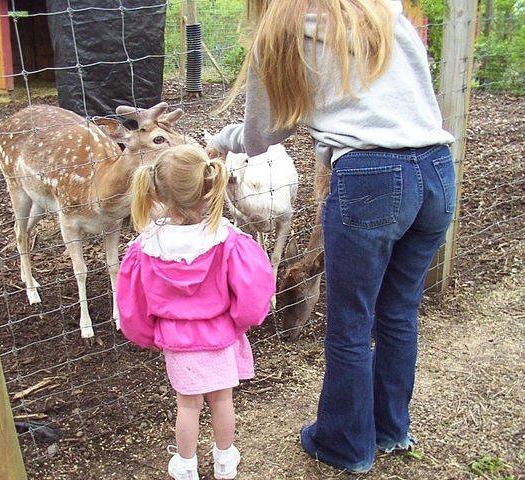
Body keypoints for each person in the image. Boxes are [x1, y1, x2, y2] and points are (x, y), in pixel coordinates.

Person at [206, 0, 456, 474]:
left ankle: (345, 444)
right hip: (437, 171)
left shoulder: (279, 30)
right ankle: (390, 430)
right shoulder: (379, 12)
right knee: (399, 310)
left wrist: (222, 139)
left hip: (370, 175)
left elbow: (262, 134)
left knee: (351, 322)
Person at [116, 144, 276, 480]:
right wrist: (240, 322)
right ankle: (224, 461)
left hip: (177, 341)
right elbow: (254, 290)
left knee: (187, 406)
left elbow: (132, 306)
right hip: (220, 336)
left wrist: (148, 336)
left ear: (156, 192)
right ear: (208, 187)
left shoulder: (146, 248)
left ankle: (186, 466)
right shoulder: (227, 240)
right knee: (222, 401)